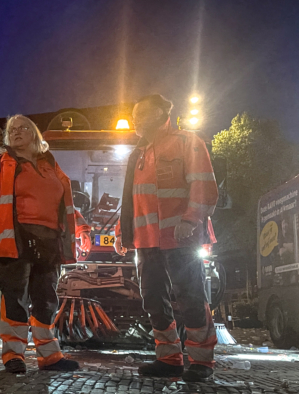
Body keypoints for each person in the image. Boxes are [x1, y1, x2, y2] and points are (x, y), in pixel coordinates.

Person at [114, 94, 219, 382]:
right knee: (153, 300)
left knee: (191, 297)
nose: (136, 119)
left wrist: (191, 219)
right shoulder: (139, 153)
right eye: (134, 114)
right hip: (147, 241)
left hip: (180, 238)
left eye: (142, 113)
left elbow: (204, 185)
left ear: (161, 113)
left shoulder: (187, 142)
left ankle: (201, 361)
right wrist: (123, 232)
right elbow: (132, 198)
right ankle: (169, 358)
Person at [0, 114, 80, 374]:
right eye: (12, 130)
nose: (17, 132)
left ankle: (50, 357)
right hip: (13, 238)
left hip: (50, 240)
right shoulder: (2, 164)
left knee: (46, 300)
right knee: (15, 299)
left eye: (23, 128)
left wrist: (80, 229)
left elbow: (65, 203)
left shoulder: (51, 165)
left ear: (34, 134)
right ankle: (13, 355)